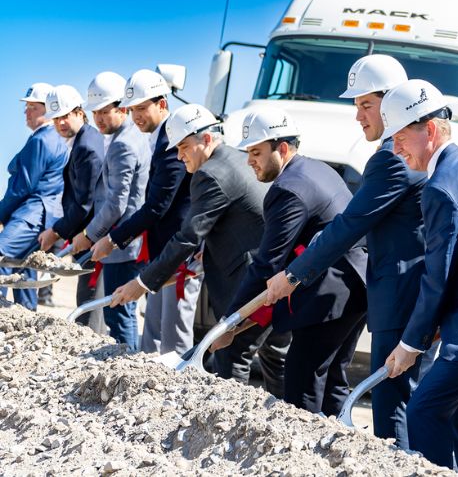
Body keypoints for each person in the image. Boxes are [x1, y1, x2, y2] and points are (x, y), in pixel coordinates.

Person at [265, 55, 428, 447]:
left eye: (366, 104)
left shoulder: (392, 158)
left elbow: (349, 225)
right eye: (356, 105)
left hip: (400, 295)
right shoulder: (404, 153)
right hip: (407, 292)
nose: (358, 116)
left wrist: (292, 275)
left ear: (393, 103)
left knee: (394, 409)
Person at [111, 103, 289, 397]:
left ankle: (230, 430)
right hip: (274, 275)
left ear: (206, 140)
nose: (179, 156)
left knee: (231, 358)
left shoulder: (211, 173)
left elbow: (187, 237)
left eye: (183, 147)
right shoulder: (235, 159)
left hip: (250, 282)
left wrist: (142, 282)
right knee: (276, 358)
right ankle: (294, 425)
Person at [211, 108, 367, 416]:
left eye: (256, 151)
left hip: (329, 297)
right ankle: (339, 455)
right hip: (358, 286)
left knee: (302, 379)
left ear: (282, 149)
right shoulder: (315, 169)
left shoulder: (287, 189)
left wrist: (229, 322)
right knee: (333, 377)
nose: (249, 160)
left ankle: (306, 456)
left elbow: (267, 263)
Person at [379, 79, 458, 474]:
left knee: (425, 409)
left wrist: (411, 343)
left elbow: (438, 274)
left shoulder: (440, 188)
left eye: (400, 138)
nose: (394, 149)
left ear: (429, 130)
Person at [90, 69, 200, 356]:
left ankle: (177, 396)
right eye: (132, 109)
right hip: (163, 251)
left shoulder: (172, 142)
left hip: (179, 250)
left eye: (142, 108)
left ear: (162, 104)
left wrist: (112, 239)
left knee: (173, 335)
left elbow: (157, 205)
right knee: (153, 330)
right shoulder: (158, 140)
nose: (136, 116)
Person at [71, 72, 151, 351]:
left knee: (119, 313)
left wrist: (89, 235)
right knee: (120, 311)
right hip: (127, 240)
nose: (99, 119)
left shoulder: (123, 145)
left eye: (105, 111)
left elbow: (117, 202)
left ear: (122, 108)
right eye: (95, 113)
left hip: (124, 244)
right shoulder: (131, 137)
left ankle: (126, 369)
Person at [38, 85, 105, 329]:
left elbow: (85, 203)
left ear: (79, 112)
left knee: (88, 311)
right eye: (56, 119)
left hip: (91, 237)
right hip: (85, 235)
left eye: (65, 116)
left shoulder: (86, 146)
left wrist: (56, 231)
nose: (60, 123)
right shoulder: (83, 141)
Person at [0, 82, 68, 310]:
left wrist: (1, 213)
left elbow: (22, 185)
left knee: (1, 256)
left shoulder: (41, 139)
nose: (26, 112)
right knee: (24, 267)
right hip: (44, 215)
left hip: (32, 212)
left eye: (32, 107)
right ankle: (26, 318)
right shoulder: (58, 138)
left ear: (49, 109)